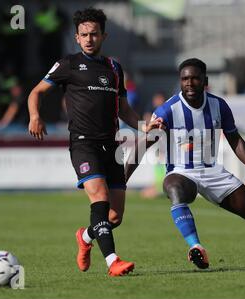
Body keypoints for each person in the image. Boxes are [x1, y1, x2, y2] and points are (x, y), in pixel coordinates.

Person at [125, 58, 245, 269]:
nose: (189, 83)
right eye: (185, 79)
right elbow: (142, 146)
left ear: (205, 80)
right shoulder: (168, 110)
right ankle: (196, 247)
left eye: (195, 78)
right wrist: (122, 181)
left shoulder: (218, 105)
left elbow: (234, 139)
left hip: (213, 172)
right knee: (175, 189)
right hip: (180, 172)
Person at [27, 7, 161, 276]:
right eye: (84, 34)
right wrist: (34, 116)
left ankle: (85, 237)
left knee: (114, 217)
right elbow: (36, 91)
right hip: (83, 144)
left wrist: (144, 126)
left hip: (111, 147)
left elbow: (124, 109)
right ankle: (113, 262)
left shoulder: (114, 68)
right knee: (99, 199)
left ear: (104, 36)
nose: (89, 39)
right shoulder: (68, 64)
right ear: (77, 38)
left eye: (94, 34)